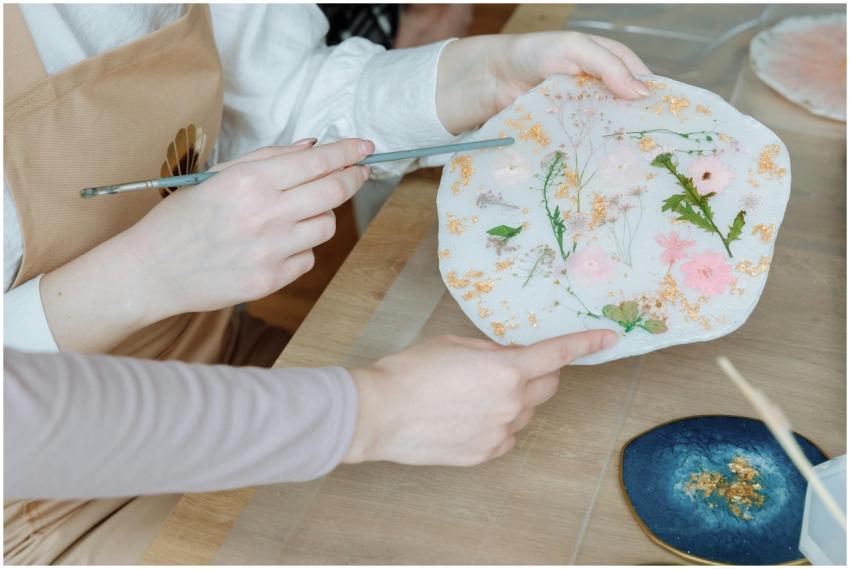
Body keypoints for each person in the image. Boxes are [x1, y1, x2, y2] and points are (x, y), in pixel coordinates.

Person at [3, 3, 651, 564]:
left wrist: (481, 74)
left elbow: (288, 96)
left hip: (232, 370)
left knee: (550, 486)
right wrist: (144, 274)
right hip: (49, 509)